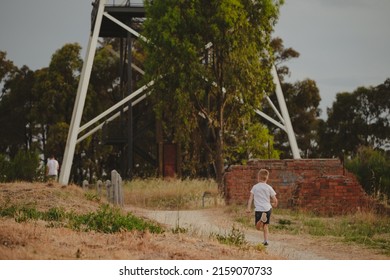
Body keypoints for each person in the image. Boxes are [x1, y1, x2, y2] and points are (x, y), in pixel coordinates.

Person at [246, 168, 278, 246]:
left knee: (258, 227)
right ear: (267, 178)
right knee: (265, 225)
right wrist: (274, 204)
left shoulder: (255, 187)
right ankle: (266, 241)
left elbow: (251, 198)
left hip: (259, 209)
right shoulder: (269, 187)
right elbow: (275, 200)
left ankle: (261, 219)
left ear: (258, 177)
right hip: (268, 208)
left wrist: (248, 208)